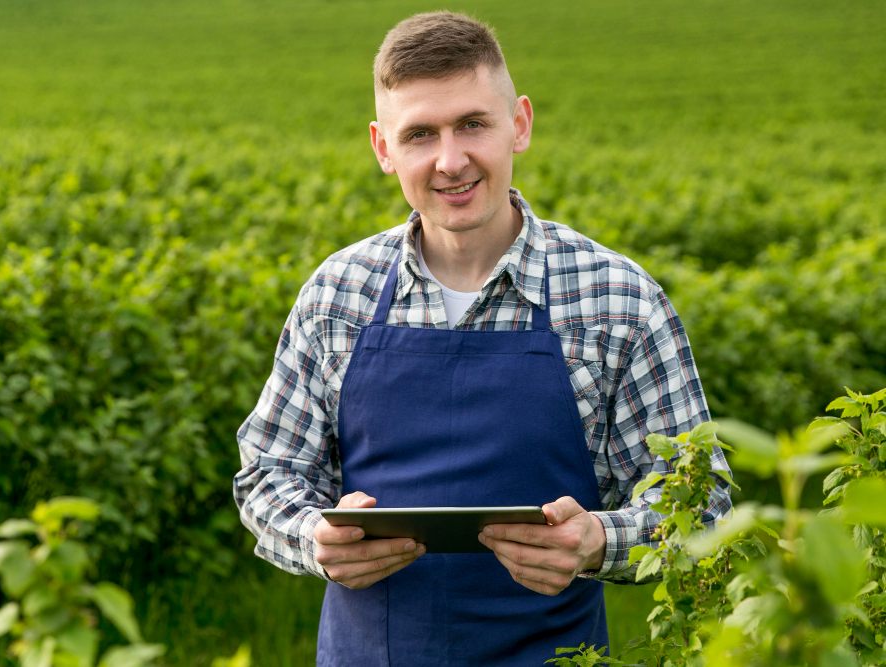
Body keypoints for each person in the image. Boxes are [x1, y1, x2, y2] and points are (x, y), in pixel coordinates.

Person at [234, 11, 732, 666]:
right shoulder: (337, 296)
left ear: (519, 124)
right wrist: (313, 538)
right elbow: (269, 473)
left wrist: (597, 541)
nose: (450, 161)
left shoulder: (618, 300)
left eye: (473, 124)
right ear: (383, 149)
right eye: (420, 134)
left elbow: (700, 500)